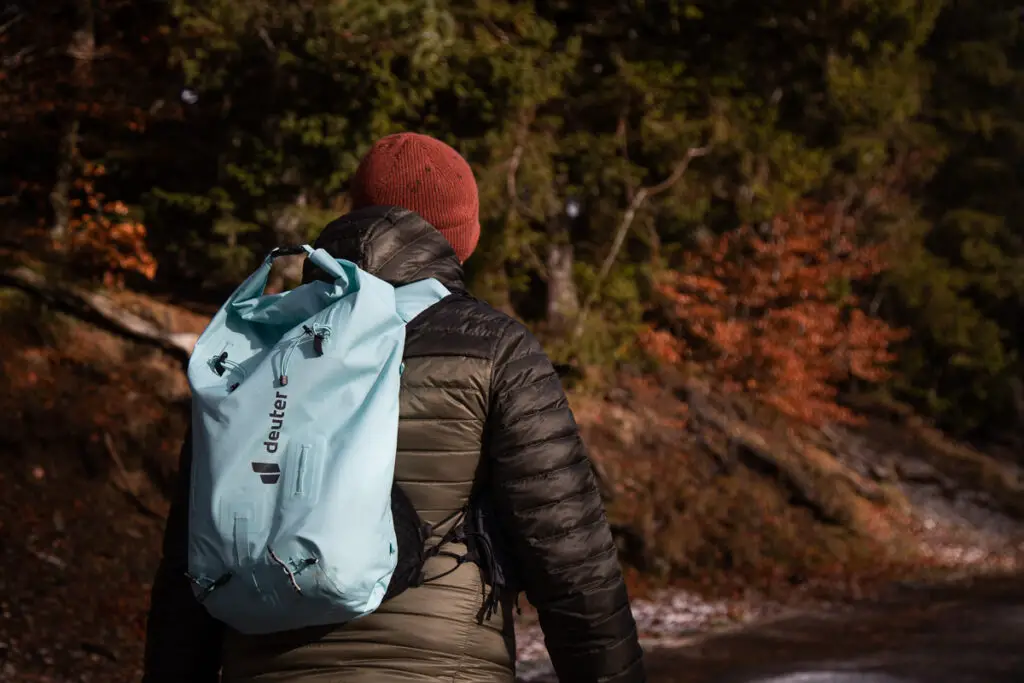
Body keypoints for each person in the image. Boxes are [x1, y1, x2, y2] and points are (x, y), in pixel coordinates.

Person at [143, 132, 645, 683]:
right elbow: (573, 565)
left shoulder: (257, 348)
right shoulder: (495, 349)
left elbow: (187, 575)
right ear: (464, 239)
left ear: (355, 214)